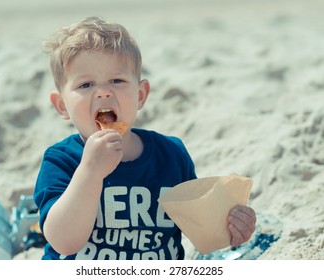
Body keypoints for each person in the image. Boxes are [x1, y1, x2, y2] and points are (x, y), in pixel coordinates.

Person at [33, 16, 256, 260]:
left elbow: (200, 227)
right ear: (62, 105)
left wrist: (231, 226)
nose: (104, 91)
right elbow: (64, 242)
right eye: (86, 85)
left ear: (140, 95)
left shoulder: (170, 154)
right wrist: (90, 171)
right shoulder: (61, 160)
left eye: (117, 80)